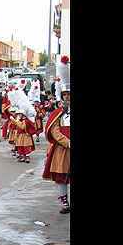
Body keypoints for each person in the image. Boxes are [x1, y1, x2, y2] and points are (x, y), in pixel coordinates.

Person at [42, 56, 71, 213]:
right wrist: (67, 142)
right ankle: (65, 202)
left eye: (69, 94)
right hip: (63, 149)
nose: (67, 97)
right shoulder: (58, 113)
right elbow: (55, 131)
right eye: (65, 94)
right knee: (62, 177)